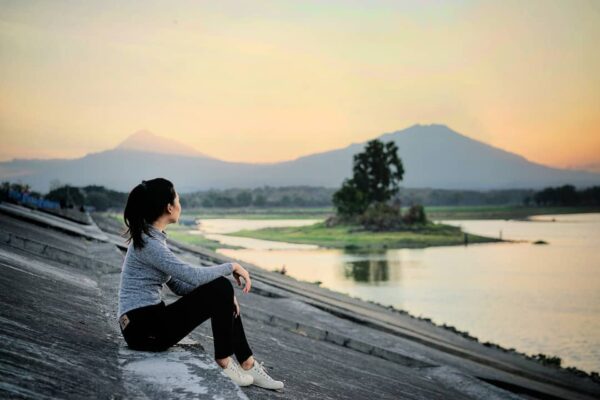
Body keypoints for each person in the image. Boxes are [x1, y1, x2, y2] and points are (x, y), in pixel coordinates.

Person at [117, 177, 284, 390]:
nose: (180, 204)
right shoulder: (151, 244)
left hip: (144, 326)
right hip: (143, 329)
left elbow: (179, 286)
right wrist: (231, 266)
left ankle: (247, 364)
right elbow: (193, 276)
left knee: (221, 289)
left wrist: (223, 299)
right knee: (222, 286)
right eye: (177, 199)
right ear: (169, 207)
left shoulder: (152, 239)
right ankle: (225, 362)